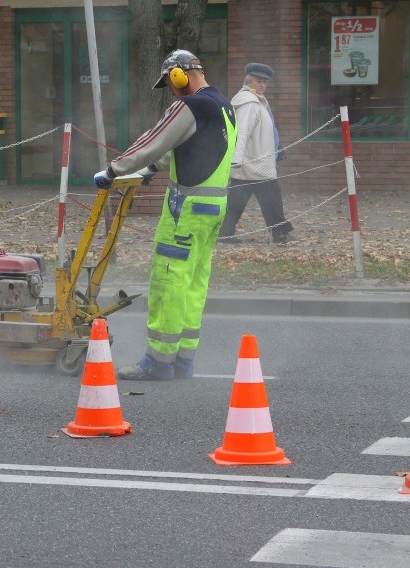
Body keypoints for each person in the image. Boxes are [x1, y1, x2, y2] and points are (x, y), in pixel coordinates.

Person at [93, 49, 237, 381]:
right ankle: (183, 361)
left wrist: (114, 169)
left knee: (168, 281)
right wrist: (151, 170)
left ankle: (158, 362)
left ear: (179, 75)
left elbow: (154, 141)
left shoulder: (190, 105)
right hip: (213, 209)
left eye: (170, 84)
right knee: (192, 284)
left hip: (185, 211)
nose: (171, 91)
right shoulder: (224, 106)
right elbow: (190, 147)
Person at [218, 63, 294, 244]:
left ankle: (225, 233)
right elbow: (242, 132)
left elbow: (267, 130)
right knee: (272, 199)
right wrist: (236, 159)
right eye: (259, 82)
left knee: (236, 202)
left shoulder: (256, 101)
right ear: (248, 82)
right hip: (254, 163)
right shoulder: (249, 103)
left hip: (254, 163)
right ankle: (280, 234)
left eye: (265, 82)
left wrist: (278, 148)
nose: (262, 85)